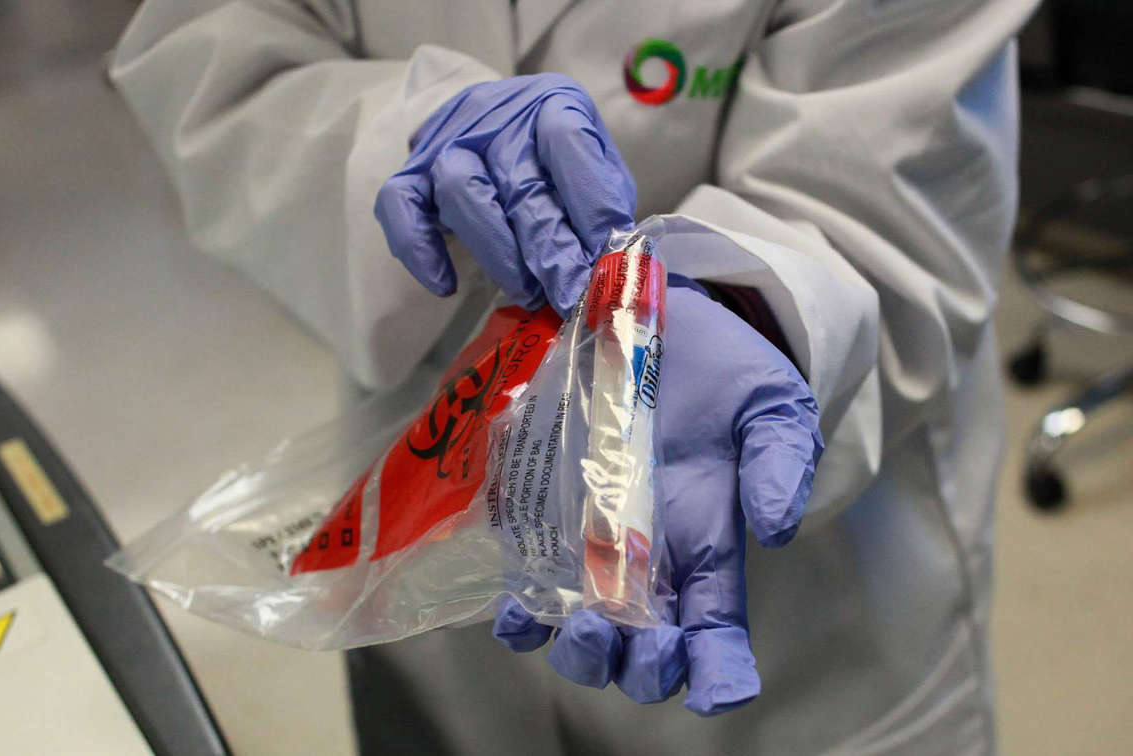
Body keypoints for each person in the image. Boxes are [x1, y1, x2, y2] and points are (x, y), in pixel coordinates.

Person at [110, 1, 1038, 753]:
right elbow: (212, 48)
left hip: (810, 618)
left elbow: (887, 188)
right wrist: (403, 131)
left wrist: (749, 315)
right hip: (430, 525)